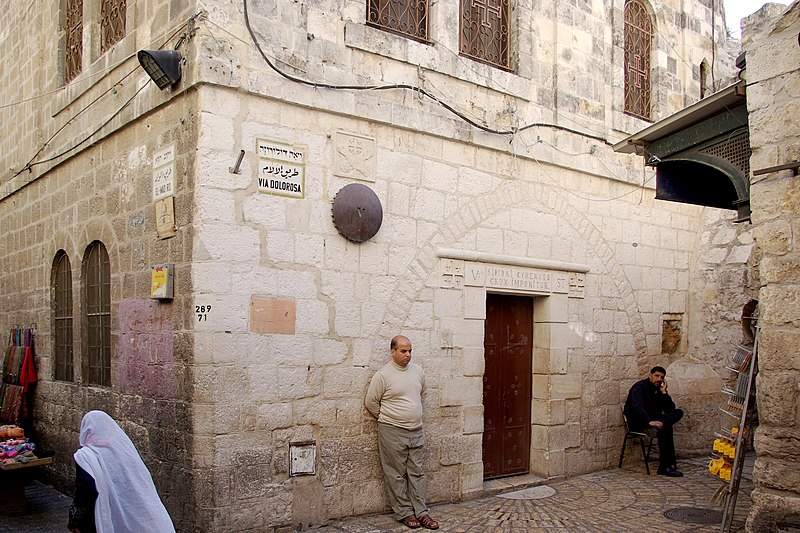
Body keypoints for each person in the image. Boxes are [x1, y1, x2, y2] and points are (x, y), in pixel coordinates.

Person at [365, 335, 439, 530]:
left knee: (417, 472)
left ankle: (421, 512)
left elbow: (421, 394)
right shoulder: (383, 375)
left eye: (410, 351)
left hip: (416, 430)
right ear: (393, 351)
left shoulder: (418, 371)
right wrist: (391, 418)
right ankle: (404, 512)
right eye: (403, 351)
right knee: (395, 474)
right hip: (392, 430)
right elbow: (371, 402)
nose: (408, 355)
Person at [67, 410, 176, 533]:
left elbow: (85, 488)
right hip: (131, 511)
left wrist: (75, 519)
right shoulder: (124, 451)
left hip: (99, 515)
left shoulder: (86, 456)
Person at [624, 366, 684, 477]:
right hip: (639, 422)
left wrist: (664, 393)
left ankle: (665, 466)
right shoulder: (639, 387)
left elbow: (670, 409)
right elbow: (638, 408)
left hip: (655, 422)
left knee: (678, 412)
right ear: (650, 375)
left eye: (662, 377)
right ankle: (665, 466)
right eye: (657, 376)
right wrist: (649, 422)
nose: (659, 379)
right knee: (666, 429)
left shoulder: (658, 389)